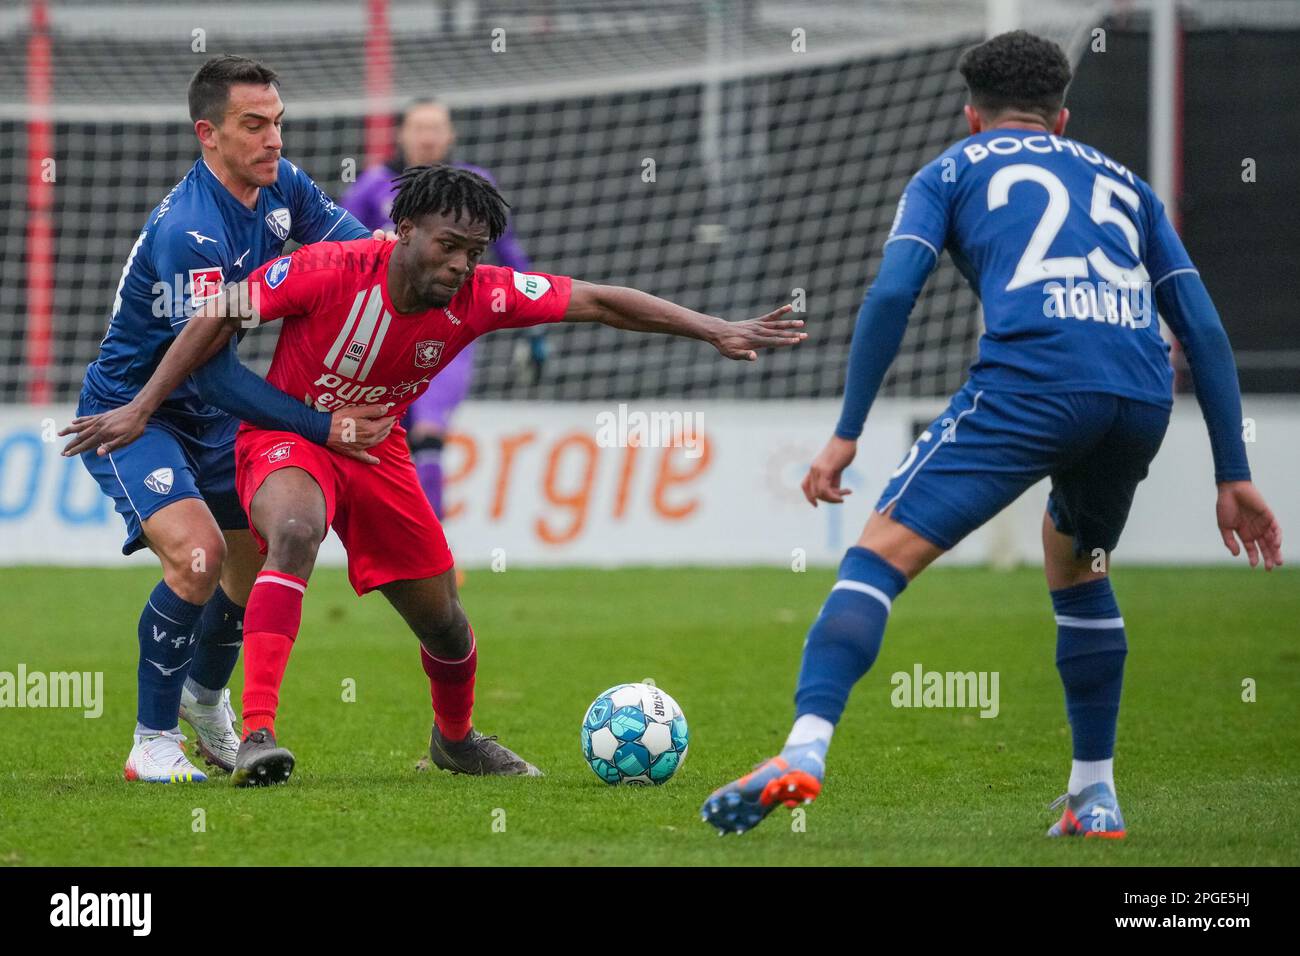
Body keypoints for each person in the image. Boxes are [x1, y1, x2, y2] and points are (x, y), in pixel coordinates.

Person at [700, 30, 1282, 838]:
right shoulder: (1129, 185)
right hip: (1139, 392)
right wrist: (1233, 470)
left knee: (877, 558)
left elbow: (892, 295)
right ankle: (1094, 796)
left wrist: (845, 432)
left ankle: (804, 748)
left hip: (1034, 382)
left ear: (971, 115)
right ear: (1063, 118)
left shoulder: (948, 170)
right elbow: (1204, 327)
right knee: (1077, 561)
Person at [70, 164, 806, 786]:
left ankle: (454, 740)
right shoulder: (327, 269)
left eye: (474, 251)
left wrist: (715, 328)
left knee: (446, 623)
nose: (461, 264)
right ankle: (256, 732)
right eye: (450, 246)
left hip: (381, 453)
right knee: (293, 531)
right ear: (404, 234)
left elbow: (597, 301)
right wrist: (144, 404)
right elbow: (218, 312)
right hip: (291, 437)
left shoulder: (482, 295)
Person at [59, 55, 393, 784]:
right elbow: (208, 369)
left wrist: (421, 263)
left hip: (210, 419)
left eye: (277, 121)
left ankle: (204, 700)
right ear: (208, 134)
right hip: (133, 413)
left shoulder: (282, 189)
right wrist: (323, 426)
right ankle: (151, 744)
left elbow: (366, 256)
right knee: (198, 558)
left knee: (250, 560)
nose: (273, 138)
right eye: (254, 125)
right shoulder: (191, 231)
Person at [342, 99, 541, 519]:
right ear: (402, 134)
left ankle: (431, 554)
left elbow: (510, 254)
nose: (428, 137)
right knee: (388, 437)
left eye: (436, 128)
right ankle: (391, 541)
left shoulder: (476, 186)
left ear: (450, 135)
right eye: (419, 128)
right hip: (382, 329)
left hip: (450, 325)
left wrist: (534, 328)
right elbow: (338, 247)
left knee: (431, 432)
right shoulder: (372, 186)